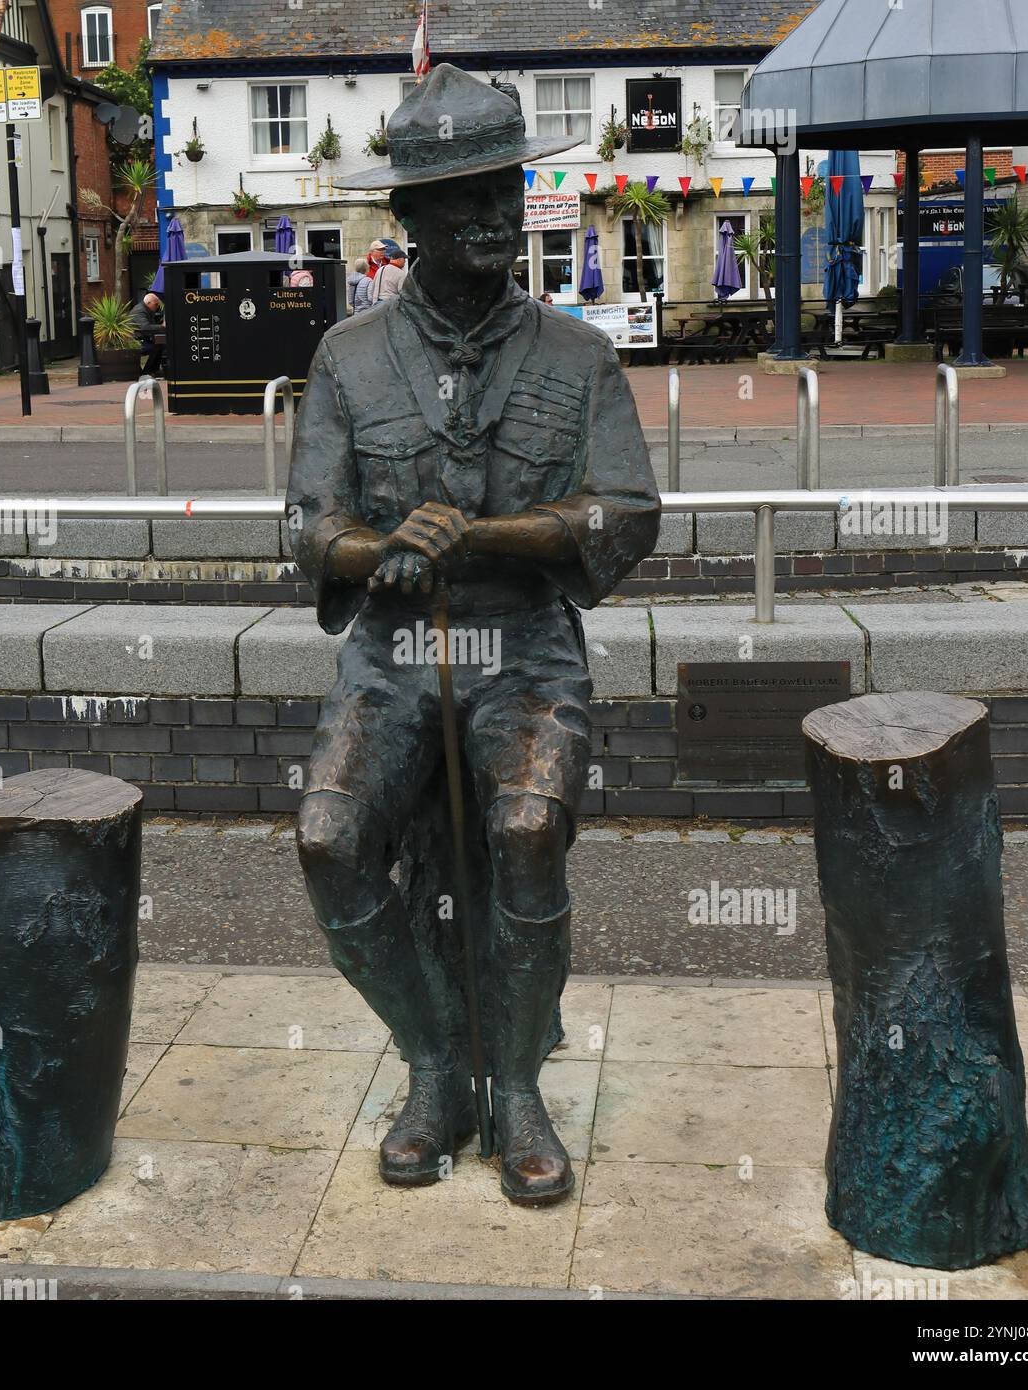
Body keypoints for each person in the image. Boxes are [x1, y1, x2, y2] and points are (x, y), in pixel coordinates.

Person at [287, 66, 660, 1207]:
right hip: (395, 655)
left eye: (504, 189)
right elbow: (310, 526)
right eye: (462, 200)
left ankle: (517, 1082)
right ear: (406, 222)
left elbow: (627, 511)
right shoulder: (347, 360)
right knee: (329, 836)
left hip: (526, 652)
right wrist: (375, 550)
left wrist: (493, 532)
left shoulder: (576, 355)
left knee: (528, 824)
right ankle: (437, 1061)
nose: (494, 215)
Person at [129, 291, 165, 376]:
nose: (157, 307)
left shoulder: (146, 309)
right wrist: (162, 327)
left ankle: (153, 370)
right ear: (148, 303)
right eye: (156, 305)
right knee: (151, 347)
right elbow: (145, 327)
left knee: (160, 345)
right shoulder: (139, 311)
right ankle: (146, 371)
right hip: (136, 340)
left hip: (142, 337)